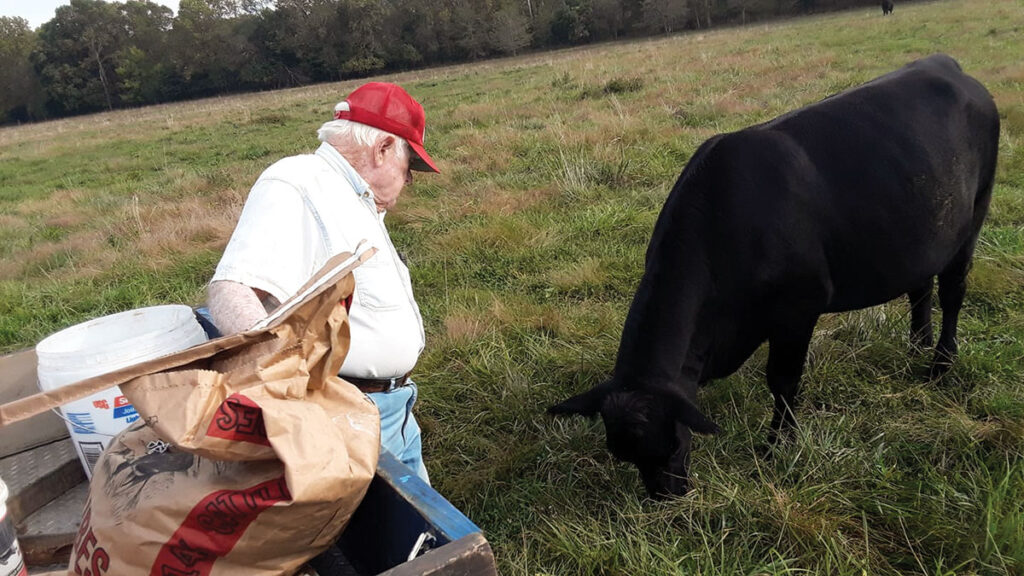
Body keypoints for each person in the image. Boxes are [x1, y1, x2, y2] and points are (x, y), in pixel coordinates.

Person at [207, 82, 439, 482]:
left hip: (389, 407)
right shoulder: (298, 182)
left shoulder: (351, 196)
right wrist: (288, 397)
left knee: (419, 534)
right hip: (345, 414)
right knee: (388, 536)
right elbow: (233, 287)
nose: (405, 188)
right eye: (407, 171)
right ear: (382, 149)